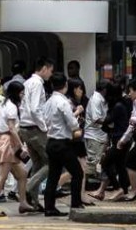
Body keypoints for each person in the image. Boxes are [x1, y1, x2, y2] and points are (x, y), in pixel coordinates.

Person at [0, 81, 34, 217]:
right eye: (22, 93)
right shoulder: (12, 107)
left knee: (22, 174)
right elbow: (12, 128)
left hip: (3, 141)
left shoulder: (5, 104)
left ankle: (23, 203)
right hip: (7, 143)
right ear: (16, 93)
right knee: (2, 177)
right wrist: (21, 146)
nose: (23, 95)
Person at [41, 74, 84, 216]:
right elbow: (73, 124)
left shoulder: (48, 102)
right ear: (65, 85)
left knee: (53, 176)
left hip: (51, 142)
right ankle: (76, 204)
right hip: (62, 144)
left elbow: (45, 120)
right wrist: (77, 112)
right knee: (77, 173)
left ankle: (49, 207)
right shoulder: (63, 102)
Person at [18, 57, 54, 210]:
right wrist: (44, 127)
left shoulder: (26, 83)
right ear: (44, 68)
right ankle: (26, 189)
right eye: (50, 71)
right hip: (35, 129)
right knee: (51, 162)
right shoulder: (38, 83)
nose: (50, 74)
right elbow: (34, 109)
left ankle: (31, 201)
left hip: (25, 128)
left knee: (38, 163)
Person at [83, 80, 109, 185]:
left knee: (97, 159)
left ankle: (91, 181)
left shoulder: (101, 99)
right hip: (94, 135)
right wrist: (110, 122)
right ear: (104, 90)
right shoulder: (95, 100)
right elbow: (96, 118)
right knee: (92, 161)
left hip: (100, 135)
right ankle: (87, 184)